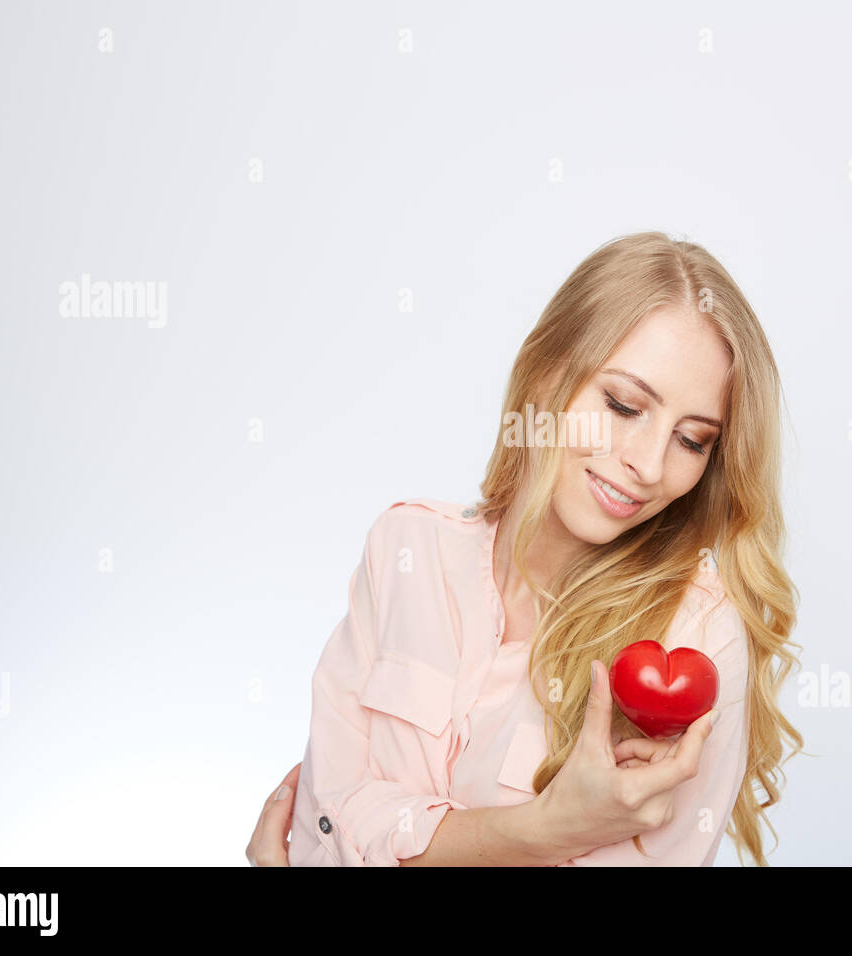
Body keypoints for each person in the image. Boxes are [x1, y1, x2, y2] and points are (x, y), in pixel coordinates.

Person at [247, 231, 804, 866]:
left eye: (693, 440)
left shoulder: (697, 641)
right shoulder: (406, 548)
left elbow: (326, 846)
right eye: (623, 406)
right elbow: (323, 825)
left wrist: (370, 838)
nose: (648, 465)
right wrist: (548, 830)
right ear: (545, 374)